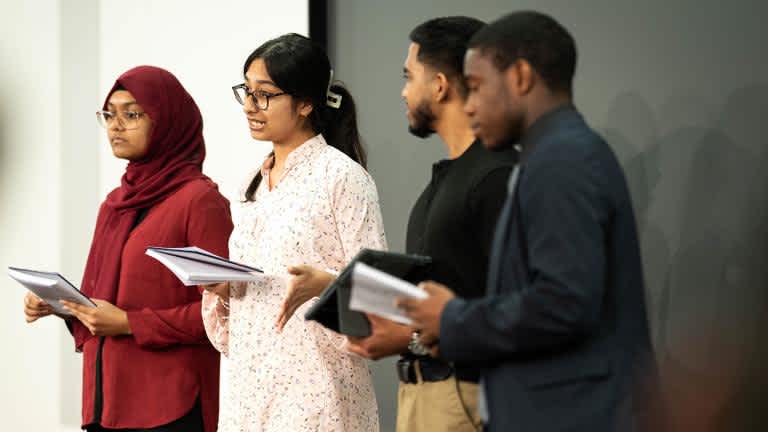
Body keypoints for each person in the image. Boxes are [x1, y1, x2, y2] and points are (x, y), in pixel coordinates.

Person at [398, 12, 657, 431]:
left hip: (574, 413)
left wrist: (452, 318)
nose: (471, 104)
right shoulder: (551, 156)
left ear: (520, 77)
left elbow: (564, 303)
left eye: (478, 87)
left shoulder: (563, 160)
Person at [23, 65, 232, 431]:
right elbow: (99, 302)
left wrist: (129, 323)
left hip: (169, 403)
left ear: (167, 121)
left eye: (132, 114)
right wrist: (62, 304)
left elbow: (221, 313)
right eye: (109, 114)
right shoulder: (115, 204)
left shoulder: (200, 200)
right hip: (107, 401)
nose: (116, 126)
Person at [201, 33, 386, 431]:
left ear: (305, 103)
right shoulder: (251, 182)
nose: (250, 106)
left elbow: (378, 293)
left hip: (318, 392)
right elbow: (250, 299)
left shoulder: (343, 178)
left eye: (264, 94)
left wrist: (325, 284)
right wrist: (224, 290)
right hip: (249, 390)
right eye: (246, 92)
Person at [344, 16, 516, 432]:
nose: (403, 92)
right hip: (424, 397)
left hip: (465, 398)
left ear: (439, 85)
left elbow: (516, 310)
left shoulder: (496, 177)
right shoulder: (449, 179)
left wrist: (409, 339)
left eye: (409, 77)